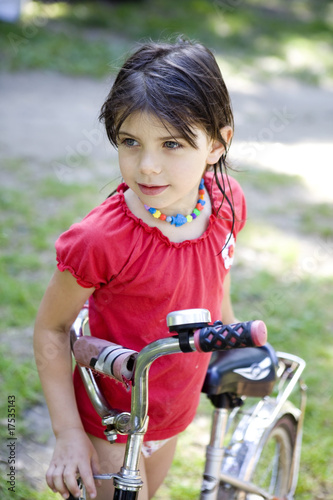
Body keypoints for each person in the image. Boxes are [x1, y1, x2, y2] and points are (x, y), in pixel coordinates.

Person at [33, 36, 247, 500]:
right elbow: (52, 329)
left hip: (172, 409)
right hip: (110, 420)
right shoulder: (101, 241)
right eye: (130, 142)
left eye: (172, 144)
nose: (147, 166)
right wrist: (68, 434)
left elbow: (217, 274)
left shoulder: (228, 206)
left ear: (217, 143)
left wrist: (232, 338)